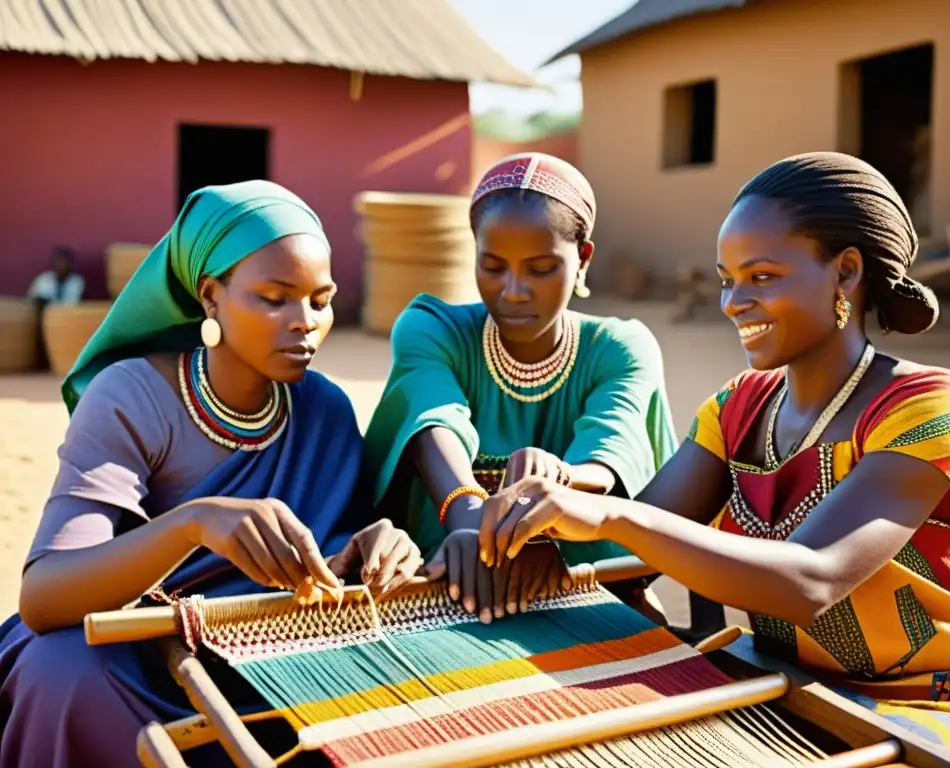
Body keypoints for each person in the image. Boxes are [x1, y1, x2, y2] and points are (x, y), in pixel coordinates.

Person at [477, 152, 950, 767]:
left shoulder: (928, 405)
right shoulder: (736, 408)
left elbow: (811, 579)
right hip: (789, 693)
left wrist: (606, 517)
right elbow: (633, 558)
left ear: (845, 272)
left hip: (937, 714)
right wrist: (500, 536)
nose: (734, 302)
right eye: (726, 279)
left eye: (761, 277)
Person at [0, 181, 421, 767]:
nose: (305, 323)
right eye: (274, 298)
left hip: (266, 665)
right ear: (210, 296)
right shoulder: (130, 395)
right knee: (60, 671)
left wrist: (371, 546)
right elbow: (45, 597)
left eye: (320, 301)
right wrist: (193, 525)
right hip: (139, 661)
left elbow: (326, 570)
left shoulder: (324, 409)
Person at [364, 152, 699, 627]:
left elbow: (609, 455)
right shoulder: (432, 328)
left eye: (540, 268)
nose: (514, 290)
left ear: (582, 259)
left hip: (581, 585)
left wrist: (559, 478)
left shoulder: (619, 347)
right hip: (451, 581)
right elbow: (432, 421)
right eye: (494, 266)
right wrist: (470, 521)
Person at [26, 247, 86, 370]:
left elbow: (73, 303)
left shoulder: (77, 281)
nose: (61, 266)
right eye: (59, 262)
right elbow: (33, 301)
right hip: (43, 319)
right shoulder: (43, 280)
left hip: (66, 321)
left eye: (64, 263)